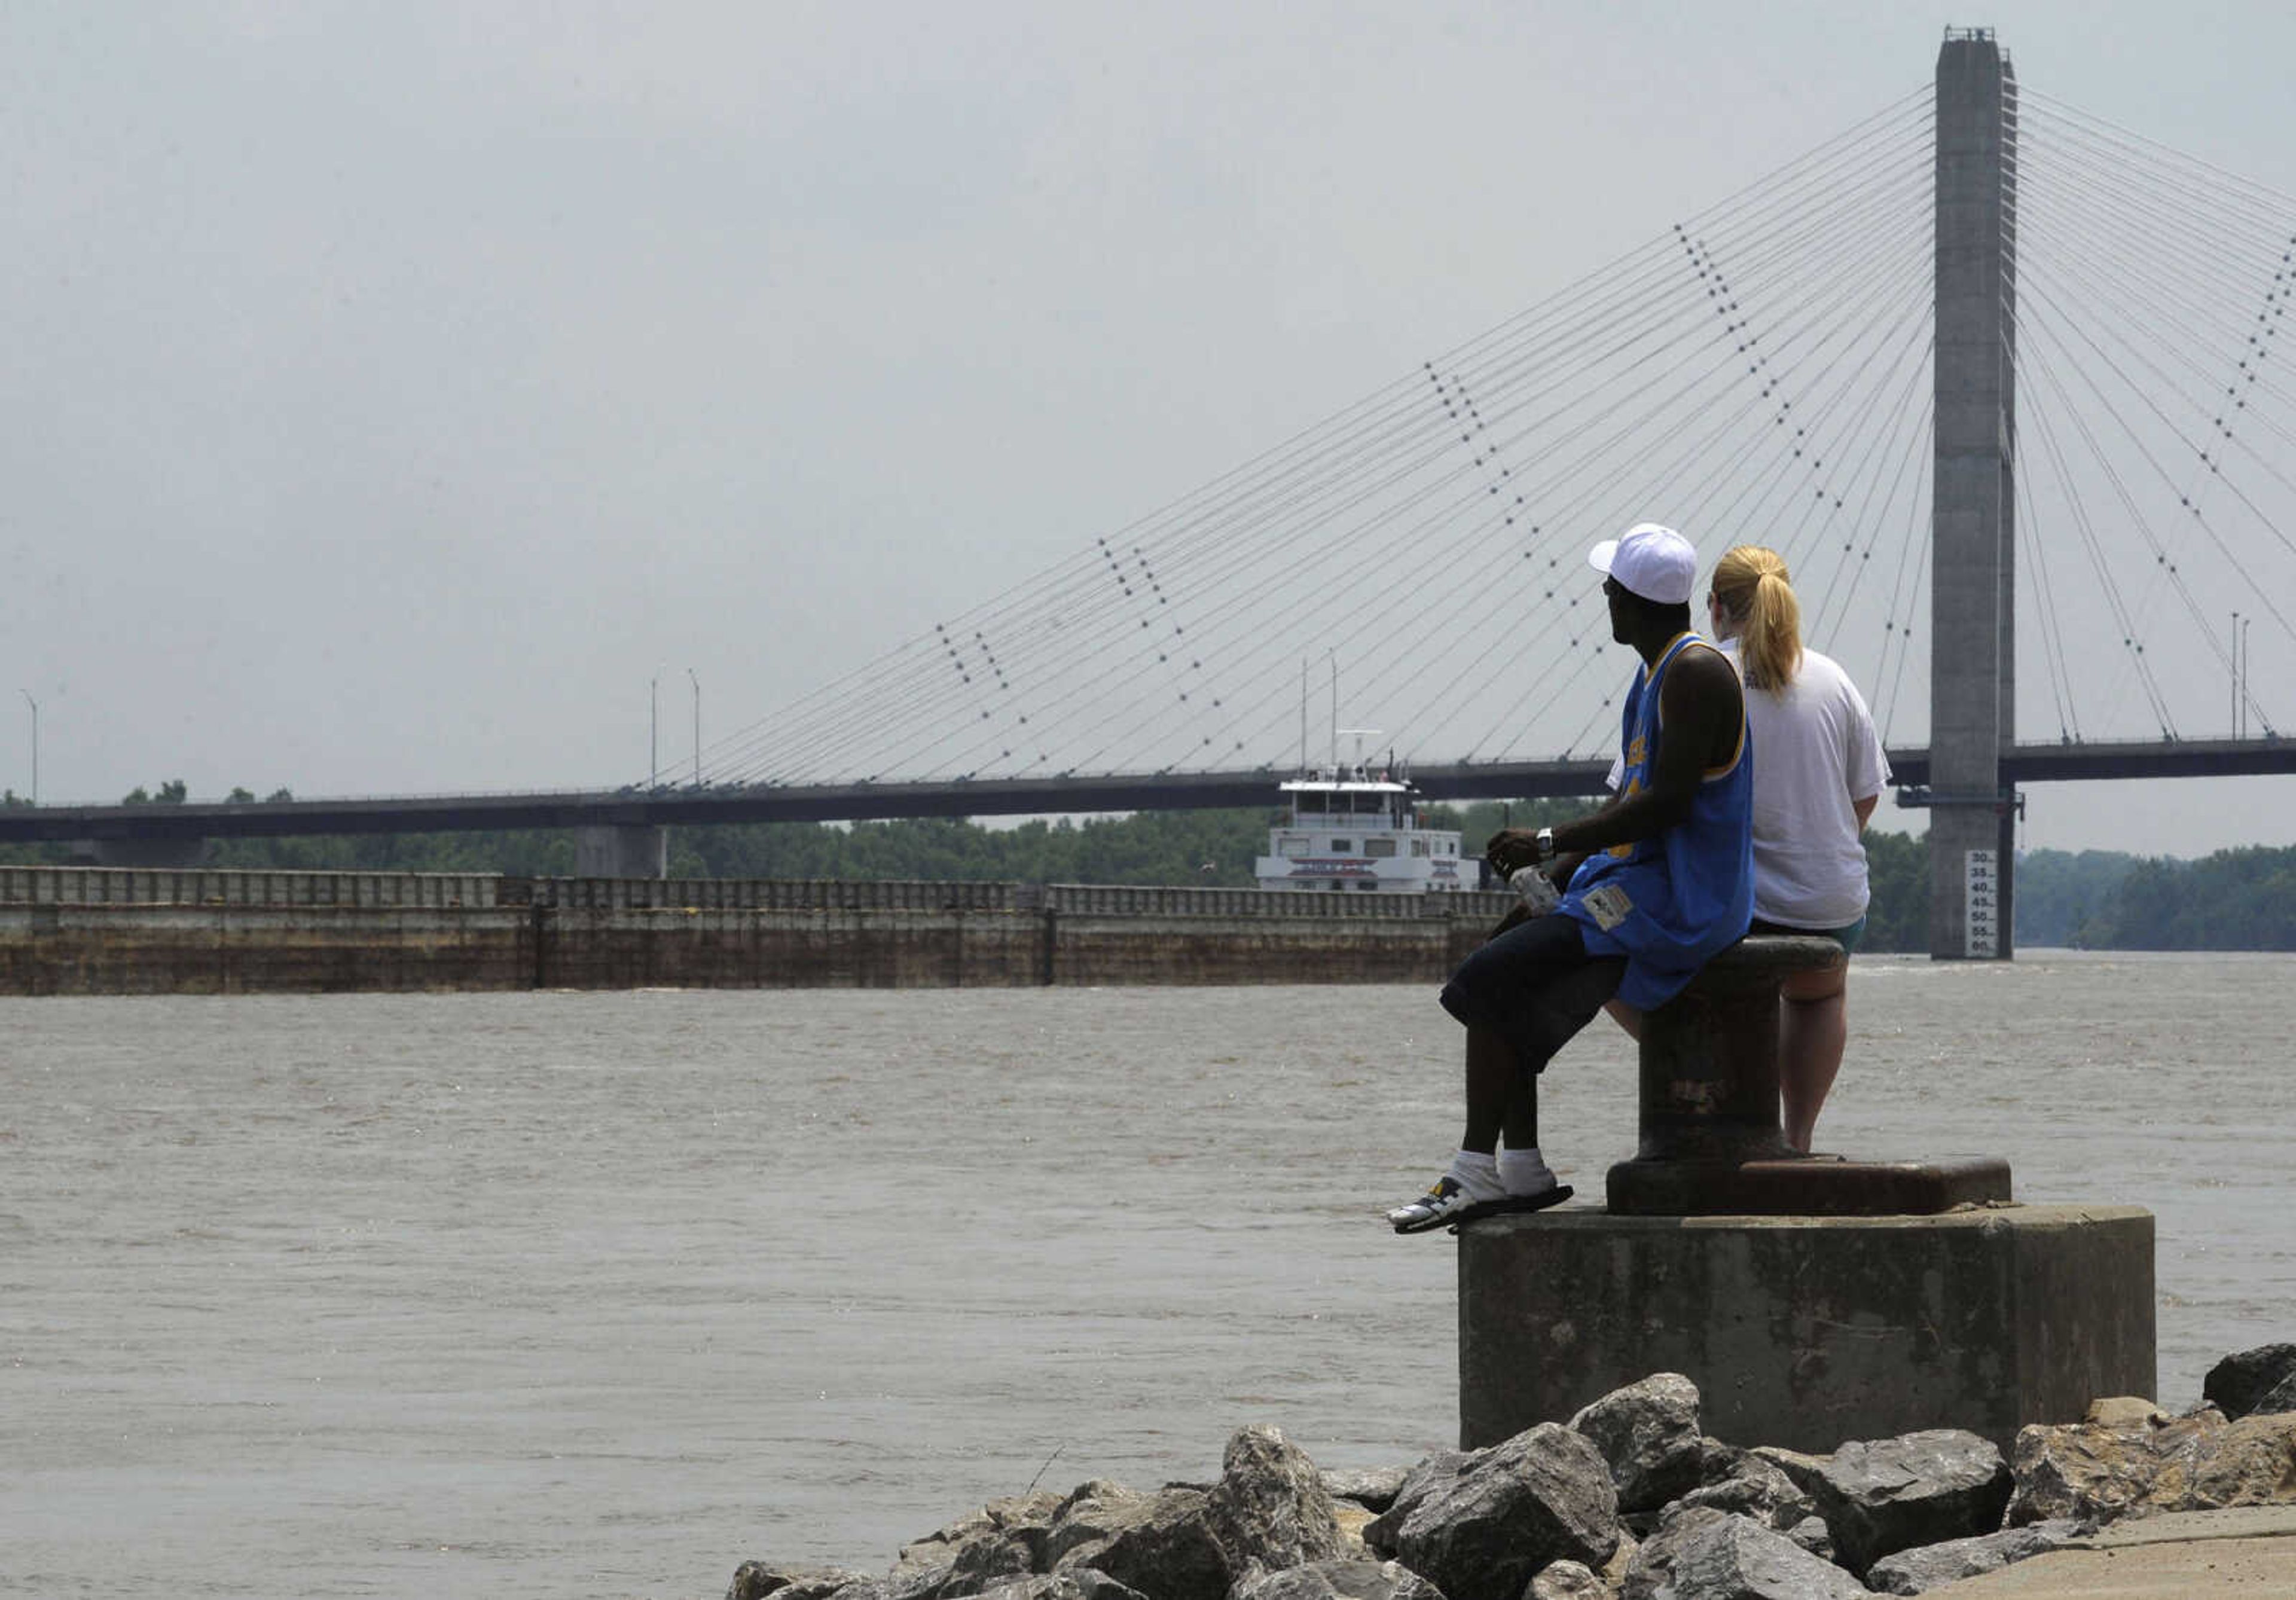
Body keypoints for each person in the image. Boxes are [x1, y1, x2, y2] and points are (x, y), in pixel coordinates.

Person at [1388, 523, 1753, 1233]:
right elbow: (1631, 795)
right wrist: (1555, 867)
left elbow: (1667, 805)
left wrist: (1549, 836)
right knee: (1506, 951)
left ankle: (1473, 1170)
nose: (1605, 598)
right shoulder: (1656, 673)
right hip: (1637, 881)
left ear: (1633, 600)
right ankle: (1519, 1166)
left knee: (1490, 978)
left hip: (1682, 899)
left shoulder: (1697, 674)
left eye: (1610, 588)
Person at [1703, 544, 1889, 1152]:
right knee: (1819, 995)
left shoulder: (1700, 672)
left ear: (1715, 608)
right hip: (1833, 911)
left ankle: (1716, 1087)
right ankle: (1798, 1141)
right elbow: (1865, 796)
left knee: (1614, 960)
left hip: (1738, 914)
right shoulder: (1833, 678)